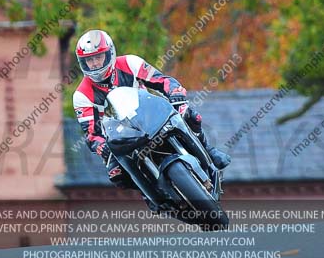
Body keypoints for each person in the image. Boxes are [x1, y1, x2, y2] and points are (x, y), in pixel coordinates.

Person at [72, 29, 231, 193]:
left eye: (98, 57)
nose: (95, 63)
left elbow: (162, 80)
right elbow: (91, 133)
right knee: (116, 174)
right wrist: (101, 146)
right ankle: (151, 195)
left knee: (190, 115)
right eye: (89, 60)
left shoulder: (130, 62)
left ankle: (208, 150)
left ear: (109, 53)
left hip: (149, 115)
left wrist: (175, 92)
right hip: (120, 135)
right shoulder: (81, 95)